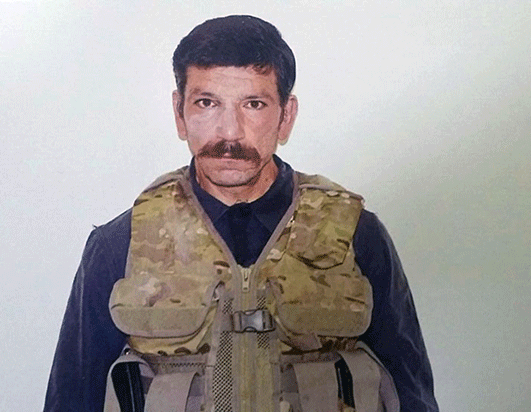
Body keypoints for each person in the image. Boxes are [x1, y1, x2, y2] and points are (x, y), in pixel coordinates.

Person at [44, 15, 439, 412]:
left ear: (285, 116)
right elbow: (71, 398)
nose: (230, 133)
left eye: (253, 104)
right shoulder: (121, 243)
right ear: (179, 113)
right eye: (207, 103)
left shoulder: (354, 234)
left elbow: (412, 393)